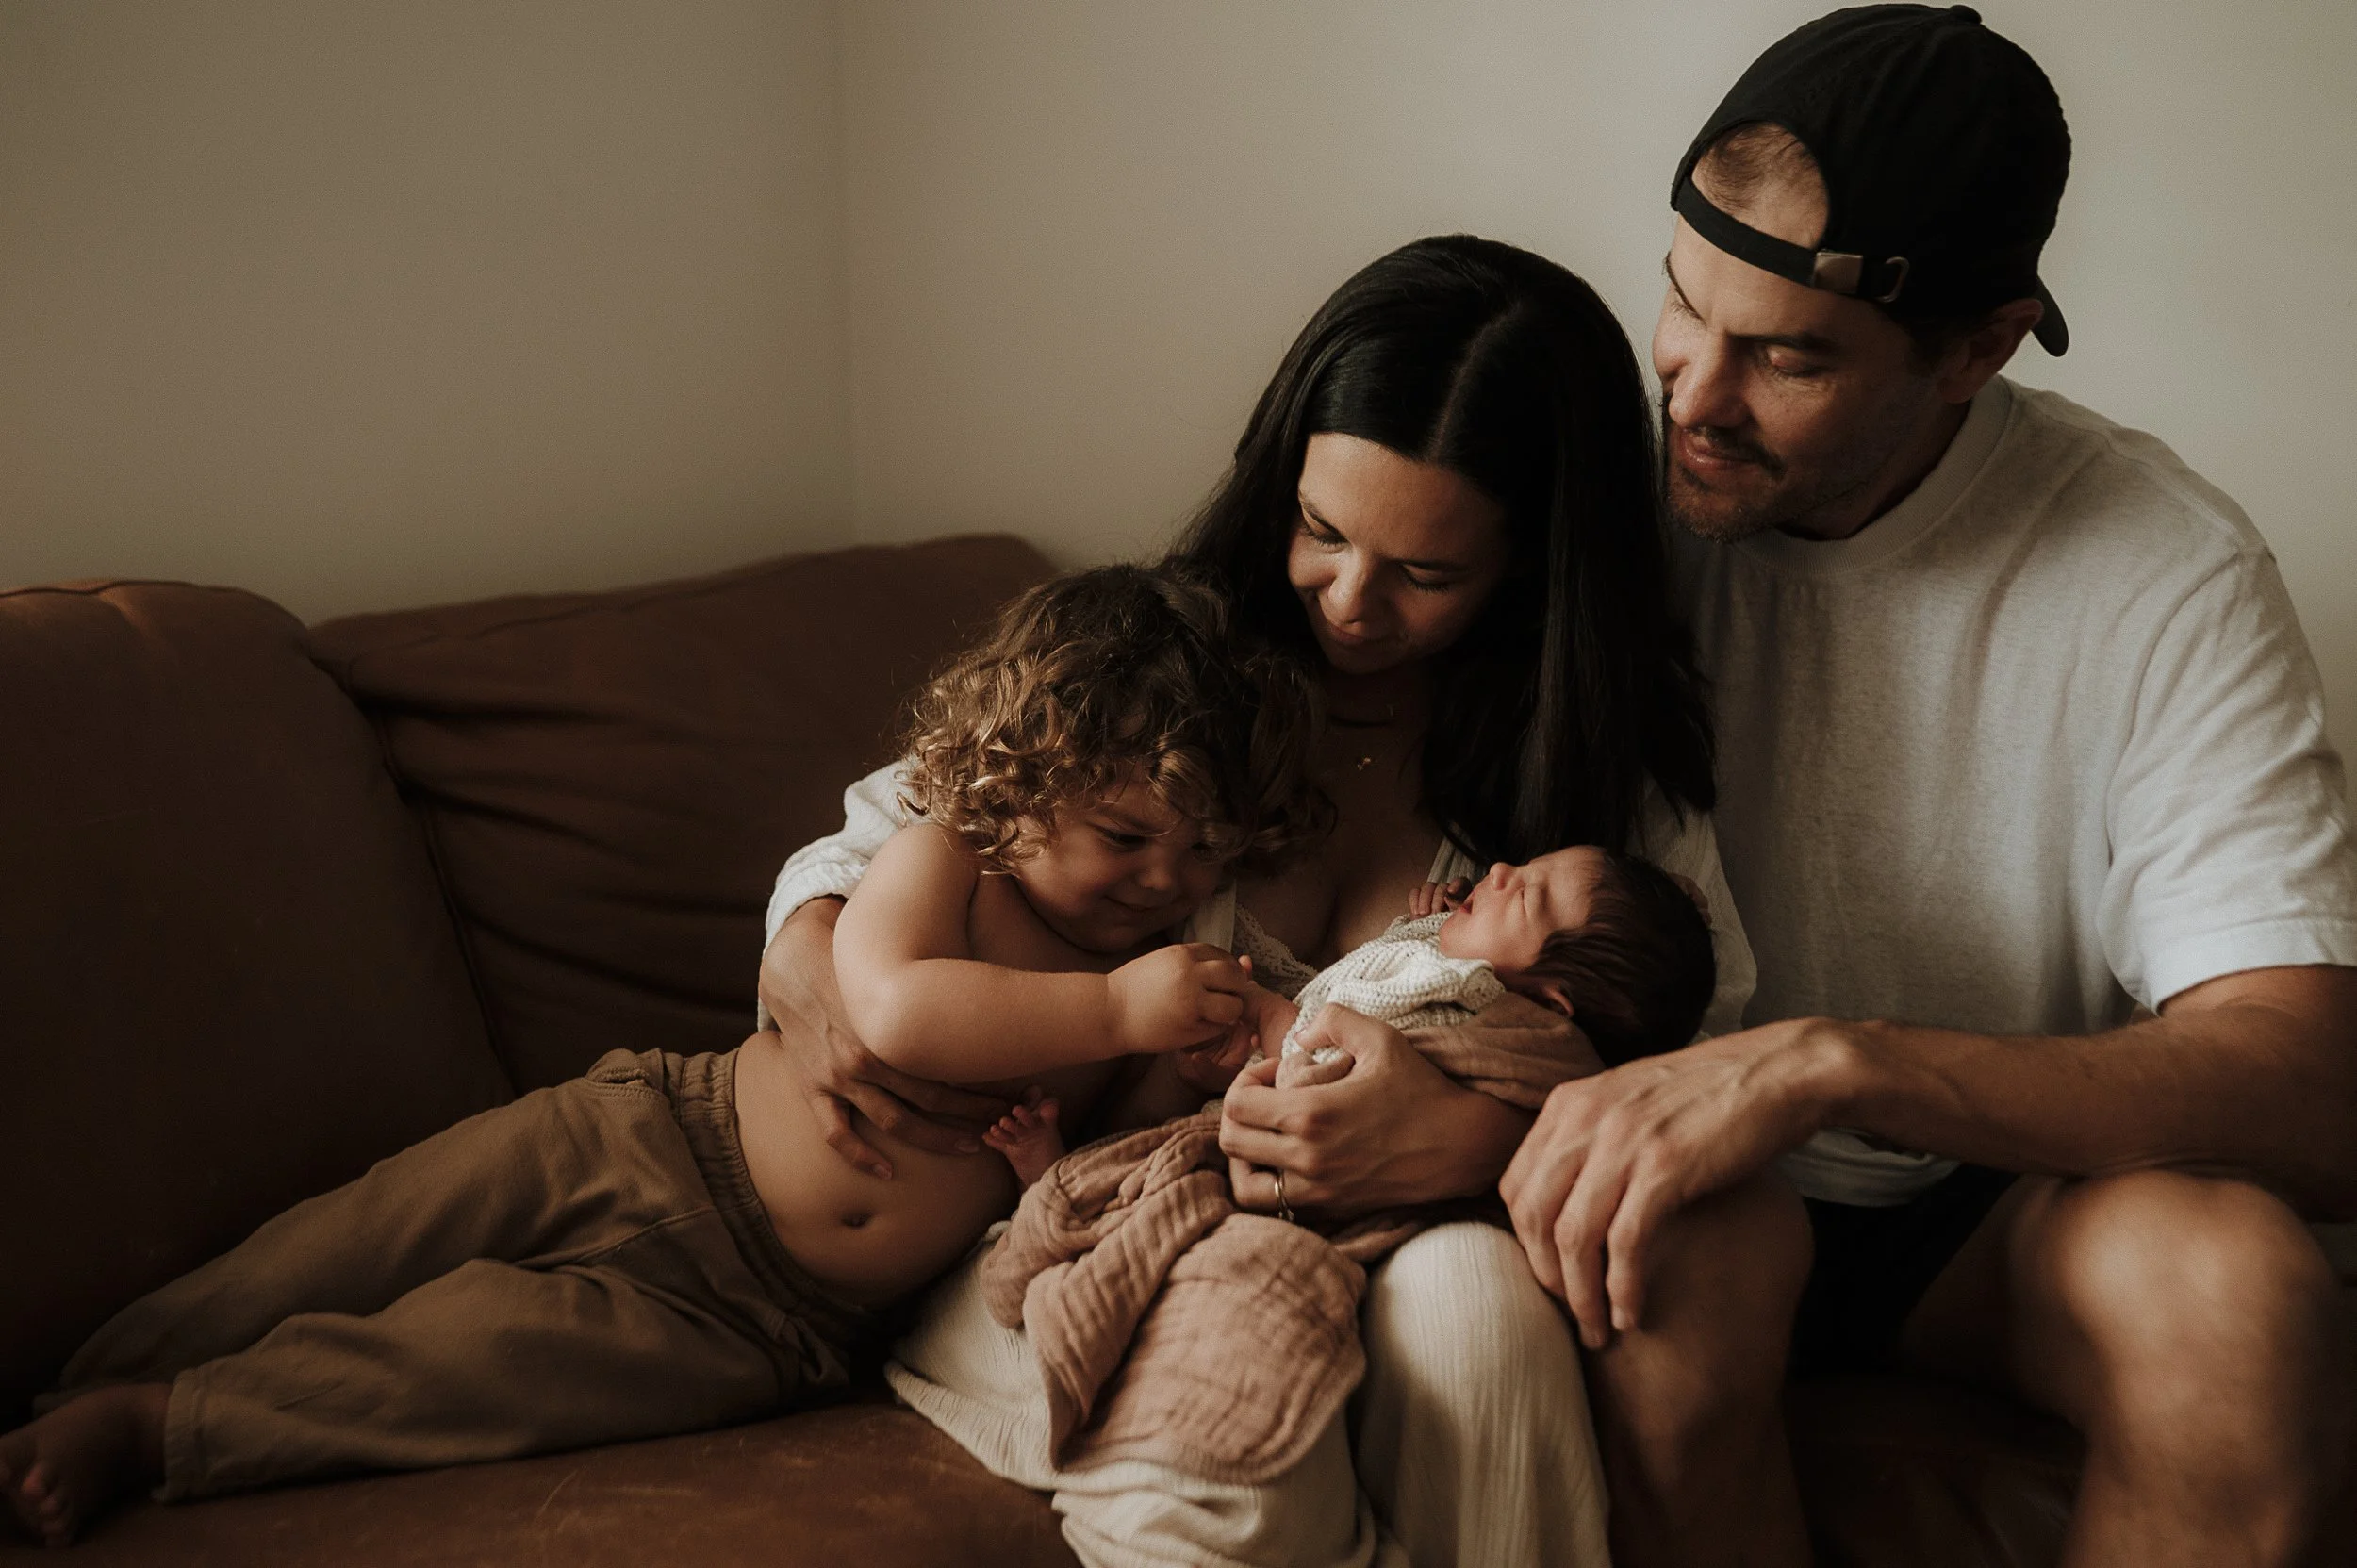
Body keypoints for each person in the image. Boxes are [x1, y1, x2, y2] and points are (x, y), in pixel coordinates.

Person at [1498, 8, 2357, 1567]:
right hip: (1679, 1182)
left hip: (2002, 1203)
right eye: (1684, 310)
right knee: (1658, 1317)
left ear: (1977, 348)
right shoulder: (1603, 495)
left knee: (2233, 1299)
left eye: (1787, 358)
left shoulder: (2161, 567)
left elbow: (2309, 1081)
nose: (1693, 395)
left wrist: (1836, 1062)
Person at [757, 234, 1756, 1568]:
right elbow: (899, 824)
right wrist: (821, 965)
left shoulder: (1594, 790)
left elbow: (1708, 1069)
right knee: (1248, 1457)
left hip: (1388, 1247)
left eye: (1426, 572)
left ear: (1532, 568)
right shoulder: (1176, 671)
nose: (1348, 599)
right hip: (1082, 1218)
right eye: (1324, 530)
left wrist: (1469, 1138)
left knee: (1483, 1311)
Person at [0, 563, 1312, 1551]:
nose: (1163, 880)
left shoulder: (1153, 971)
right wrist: (1123, 1013)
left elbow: (1115, 1152)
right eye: (1125, 836)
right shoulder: (951, 857)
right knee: (354, 1239)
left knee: (461, 1369)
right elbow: (901, 1003)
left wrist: (1098, 1134)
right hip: (649, 1129)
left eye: (1203, 853)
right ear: (1022, 783)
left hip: (765, 1317)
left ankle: (161, 1424)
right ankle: (89, 1374)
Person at [987, 846, 1718, 1184]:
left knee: (1159, 1170)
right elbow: (1409, 967)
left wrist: (1258, 1006)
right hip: (1243, 1095)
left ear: (1550, 1001)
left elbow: (1349, 1029)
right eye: (1521, 864)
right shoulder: (1463, 960)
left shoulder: (1480, 1008)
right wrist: (1437, 925)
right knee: (1161, 1119)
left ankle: (1055, 1183)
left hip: (1288, 1124)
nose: (1497, 872)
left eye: (1522, 894)